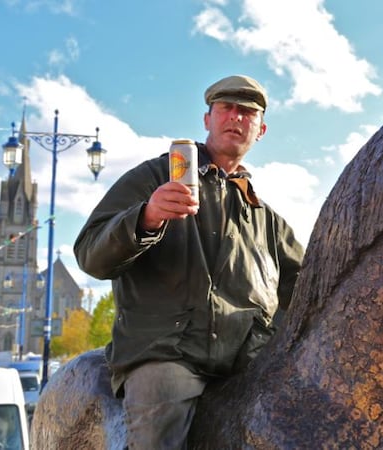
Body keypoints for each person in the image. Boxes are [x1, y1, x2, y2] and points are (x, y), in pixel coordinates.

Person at [74, 74, 305, 449]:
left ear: (260, 130)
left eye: (247, 112)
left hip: (248, 361)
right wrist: (146, 217)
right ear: (207, 120)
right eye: (226, 108)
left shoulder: (265, 217)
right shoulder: (155, 176)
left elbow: (311, 286)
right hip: (167, 356)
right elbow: (90, 254)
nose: (236, 117)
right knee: (158, 432)